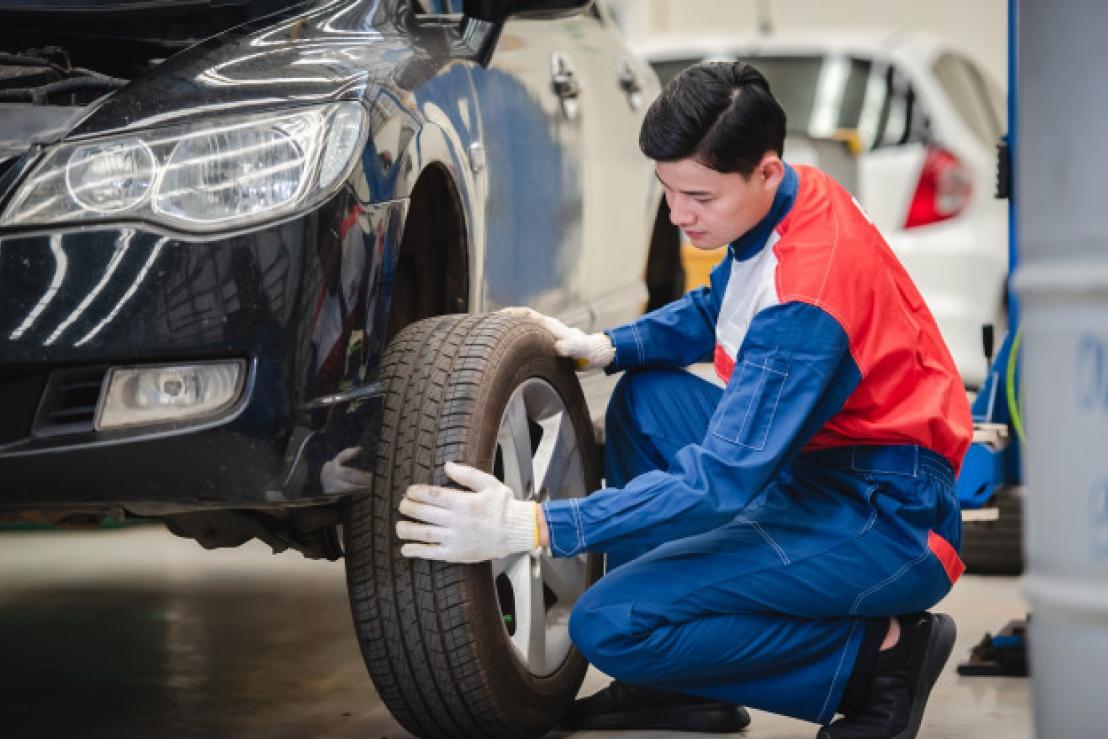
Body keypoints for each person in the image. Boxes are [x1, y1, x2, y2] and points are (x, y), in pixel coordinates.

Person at [394, 61, 972, 739]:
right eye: (667, 189)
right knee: (648, 399)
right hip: (827, 462)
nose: (677, 214)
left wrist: (535, 525)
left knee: (608, 623)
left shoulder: (806, 302)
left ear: (765, 170)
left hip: (886, 518)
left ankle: (880, 659)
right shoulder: (794, 197)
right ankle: (673, 684)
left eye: (698, 196)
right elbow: (721, 303)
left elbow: (717, 485)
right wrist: (609, 346)